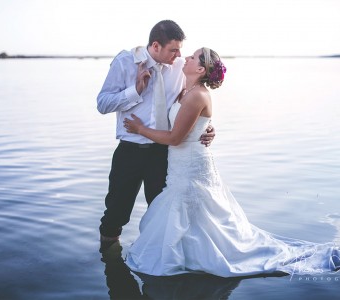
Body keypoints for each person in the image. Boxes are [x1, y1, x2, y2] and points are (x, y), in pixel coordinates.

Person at [123, 47, 340, 277]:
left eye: (193, 57)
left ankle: (203, 254)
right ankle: (191, 252)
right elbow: (187, 126)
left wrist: (140, 129)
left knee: (190, 207)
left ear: (200, 69)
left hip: (190, 164)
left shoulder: (197, 95)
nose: (186, 57)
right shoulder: (186, 90)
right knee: (196, 212)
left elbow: (175, 138)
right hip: (180, 163)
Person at [96, 20, 215, 251]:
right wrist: (135, 91)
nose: (179, 55)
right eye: (173, 49)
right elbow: (102, 104)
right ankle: (109, 260)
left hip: (165, 153)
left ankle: (160, 260)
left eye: (180, 49)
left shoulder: (181, 66)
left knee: (162, 212)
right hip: (130, 149)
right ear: (156, 46)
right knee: (116, 214)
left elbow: (195, 99)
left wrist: (206, 126)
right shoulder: (125, 62)